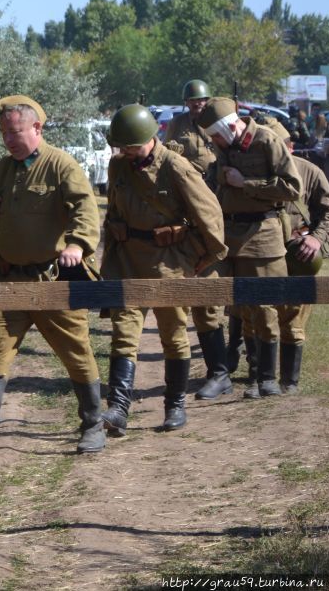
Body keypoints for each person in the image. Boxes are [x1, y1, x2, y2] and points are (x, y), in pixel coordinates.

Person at [0, 96, 107, 455]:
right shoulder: (3, 170)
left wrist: (78, 245)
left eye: (15, 131)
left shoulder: (61, 165)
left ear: (37, 128)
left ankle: (93, 423)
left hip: (52, 282)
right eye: (4, 132)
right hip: (6, 281)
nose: (8, 138)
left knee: (76, 351)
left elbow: (85, 210)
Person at [98, 105, 227, 435]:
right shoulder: (118, 166)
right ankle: (118, 408)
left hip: (169, 263)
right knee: (124, 336)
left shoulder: (175, 166)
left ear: (151, 138)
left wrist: (199, 257)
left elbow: (209, 214)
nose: (126, 152)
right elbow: (113, 211)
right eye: (122, 147)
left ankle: (175, 406)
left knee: (174, 336)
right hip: (128, 262)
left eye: (131, 146)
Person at [196, 97, 301, 398]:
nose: (214, 142)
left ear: (231, 125)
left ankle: (264, 377)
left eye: (216, 135)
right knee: (206, 296)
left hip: (262, 234)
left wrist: (247, 183)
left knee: (263, 305)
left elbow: (293, 188)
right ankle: (219, 373)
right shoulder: (222, 148)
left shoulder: (268, 140)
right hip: (225, 235)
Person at [243, 127, 329, 394]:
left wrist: (316, 238)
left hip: (297, 253)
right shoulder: (251, 173)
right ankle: (259, 377)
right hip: (259, 252)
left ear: (288, 146)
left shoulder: (308, 171)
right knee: (256, 313)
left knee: (294, 317)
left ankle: (289, 382)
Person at [163, 80, 235, 399]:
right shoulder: (177, 125)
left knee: (220, 294)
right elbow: (167, 157)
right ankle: (218, 370)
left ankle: (226, 366)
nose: (197, 106)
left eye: (202, 101)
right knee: (201, 296)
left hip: (220, 202)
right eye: (193, 102)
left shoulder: (219, 124)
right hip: (189, 203)